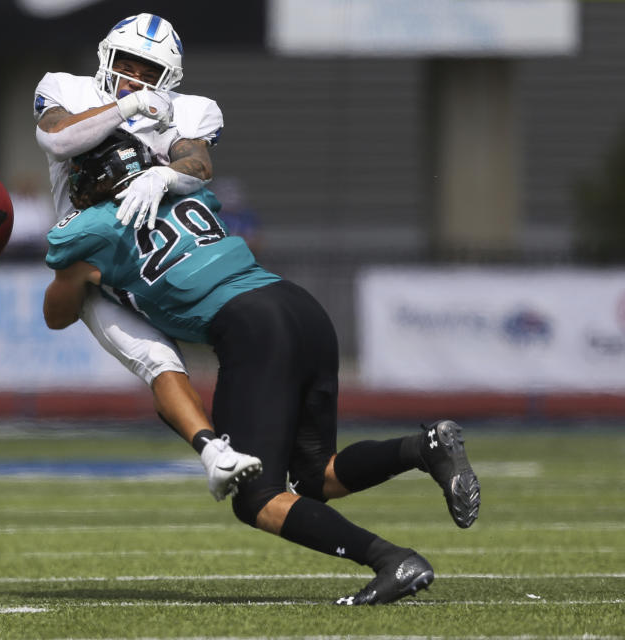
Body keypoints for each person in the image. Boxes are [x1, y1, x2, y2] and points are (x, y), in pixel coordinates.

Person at [42, 133, 482, 605]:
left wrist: (77, 274)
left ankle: (391, 559)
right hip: (299, 307)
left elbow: (58, 313)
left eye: (83, 176)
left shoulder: (91, 232)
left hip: (251, 328)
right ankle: (427, 445)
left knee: (256, 498)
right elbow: (194, 163)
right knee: (317, 476)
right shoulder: (187, 192)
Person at [33, 13, 261, 500]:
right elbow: (56, 138)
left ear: (170, 79)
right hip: (90, 255)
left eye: (148, 71)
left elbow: (196, 161)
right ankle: (214, 453)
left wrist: (163, 176)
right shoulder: (66, 89)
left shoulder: (192, 109)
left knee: (229, 335)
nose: (134, 77)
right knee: (155, 359)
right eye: (128, 64)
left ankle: (257, 442)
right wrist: (130, 106)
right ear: (106, 57)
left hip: (156, 259)